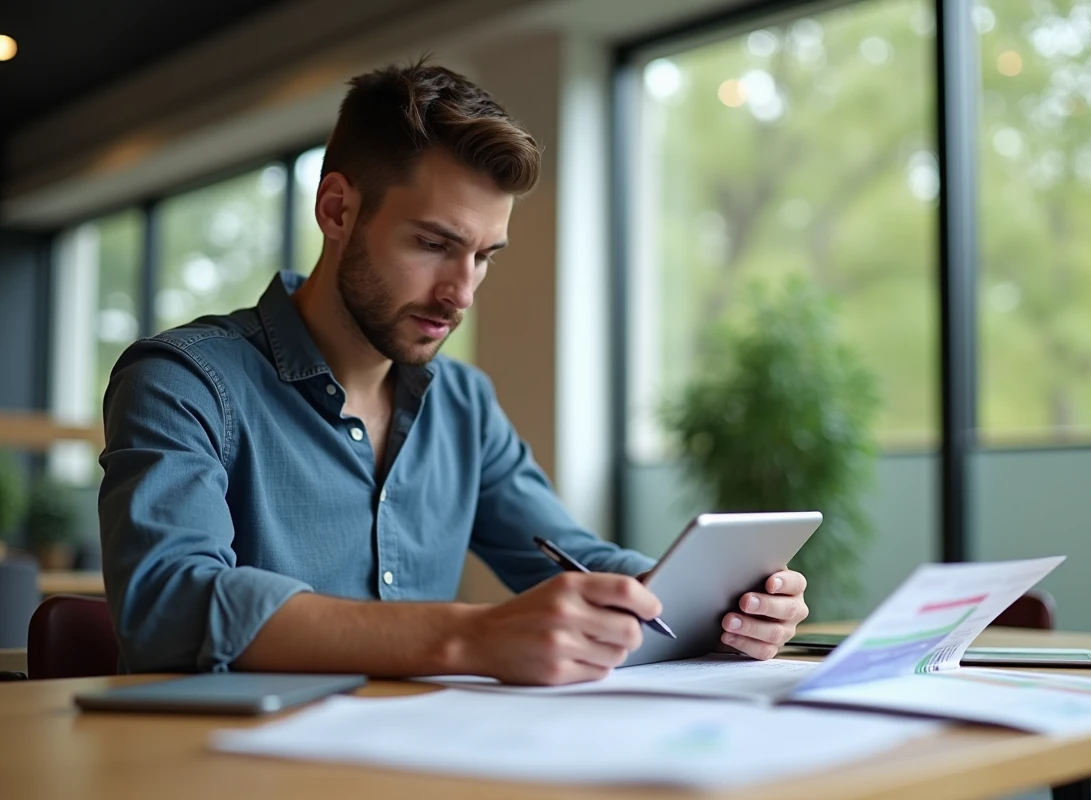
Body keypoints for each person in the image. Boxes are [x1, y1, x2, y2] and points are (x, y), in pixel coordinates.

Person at [98, 59, 809, 685]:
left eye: (484, 256)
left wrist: (712, 606)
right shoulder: (184, 381)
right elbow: (171, 603)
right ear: (337, 209)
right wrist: (471, 636)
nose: (460, 292)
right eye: (435, 244)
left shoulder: (463, 404)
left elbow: (575, 560)